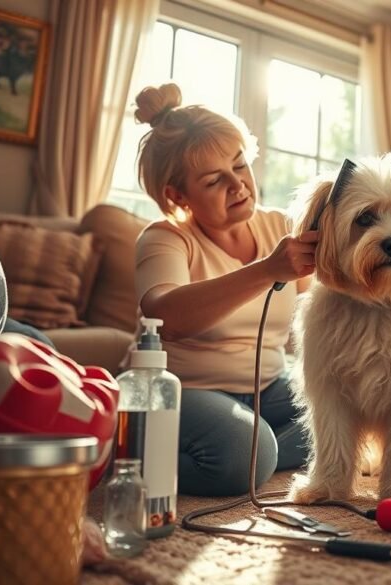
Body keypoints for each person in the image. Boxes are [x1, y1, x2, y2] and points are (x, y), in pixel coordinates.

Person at [133, 83, 317, 496]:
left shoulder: (280, 225)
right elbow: (165, 318)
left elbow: (314, 306)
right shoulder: (165, 238)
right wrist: (267, 270)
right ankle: (129, 448)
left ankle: (256, 439)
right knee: (244, 451)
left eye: (240, 165)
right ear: (177, 195)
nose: (239, 185)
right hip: (184, 390)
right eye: (215, 180)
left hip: (268, 388)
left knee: (342, 409)